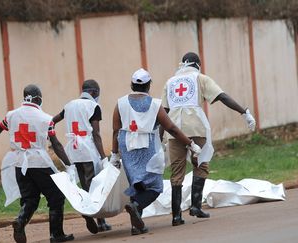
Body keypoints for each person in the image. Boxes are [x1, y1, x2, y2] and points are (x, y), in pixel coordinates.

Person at [161, 52, 256, 226]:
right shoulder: (200, 78)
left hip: (173, 129)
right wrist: (244, 112)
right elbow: (222, 96)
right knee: (201, 163)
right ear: (197, 64)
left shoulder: (170, 82)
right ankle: (195, 207)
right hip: (195, 126)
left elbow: (164, 112)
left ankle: (176, 217)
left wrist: (160, 137)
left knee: (177, 171)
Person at [110, 68, 202, 235]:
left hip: (127, 146)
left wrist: (115, 155)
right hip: (148, 147)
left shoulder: (120, 102)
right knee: (155, 186)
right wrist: (190, 144)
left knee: (136, 182)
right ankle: (136, 206)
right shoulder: (155, 104)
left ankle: (135, 226)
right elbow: (172, 128)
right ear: (148, 86)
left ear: (132, 85)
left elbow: (116, 130)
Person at [0, 84, 74, 243]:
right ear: (38, 98)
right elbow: (56, 144)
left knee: (30, 199)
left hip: (19, 163)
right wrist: (69, 165)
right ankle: (56, 234)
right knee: (56, 197)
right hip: (39, 163)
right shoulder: (46, 119)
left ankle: (20, 221)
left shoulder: (11, 115)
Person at [52, 79, 111, 234]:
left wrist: (50, 136)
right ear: (94, 92)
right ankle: (97, 219)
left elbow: (52, 121)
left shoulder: (69, 105)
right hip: (88, 150)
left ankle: (96, 218)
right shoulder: (93, 106)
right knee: (94, 186)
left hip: (73, 149)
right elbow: (96, 134)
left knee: (85, 186)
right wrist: (103, 157)